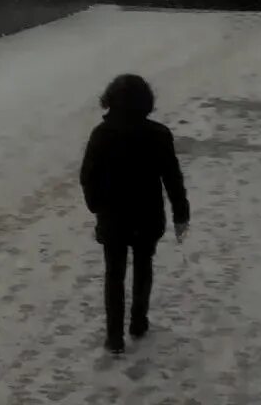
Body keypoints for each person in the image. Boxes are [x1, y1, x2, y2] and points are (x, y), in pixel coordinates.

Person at [79, 73, 190, 355]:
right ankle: (138, 320)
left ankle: (114, 336)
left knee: (113, 274)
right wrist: (181, 213)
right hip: (147, 214)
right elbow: (172, 177)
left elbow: (87, 176)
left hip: (113, 216)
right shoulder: (158, 134)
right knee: (143, 266)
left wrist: (96, 206)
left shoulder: (101, 135)